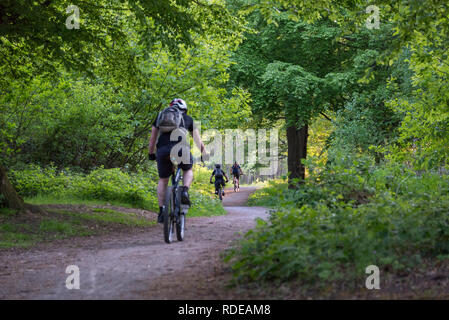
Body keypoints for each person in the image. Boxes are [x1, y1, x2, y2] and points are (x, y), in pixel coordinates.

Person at [148, 98, 206, 223]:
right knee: (188, 169)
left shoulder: (160, 117)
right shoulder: (188, 119)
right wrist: (204, 153)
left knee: (163, 180)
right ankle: (184, 191)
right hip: (181, 150)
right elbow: (197, 141)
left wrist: (151, 154)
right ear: (184, 109)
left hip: (163, 151)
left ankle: (162, 210)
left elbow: (152, 138)